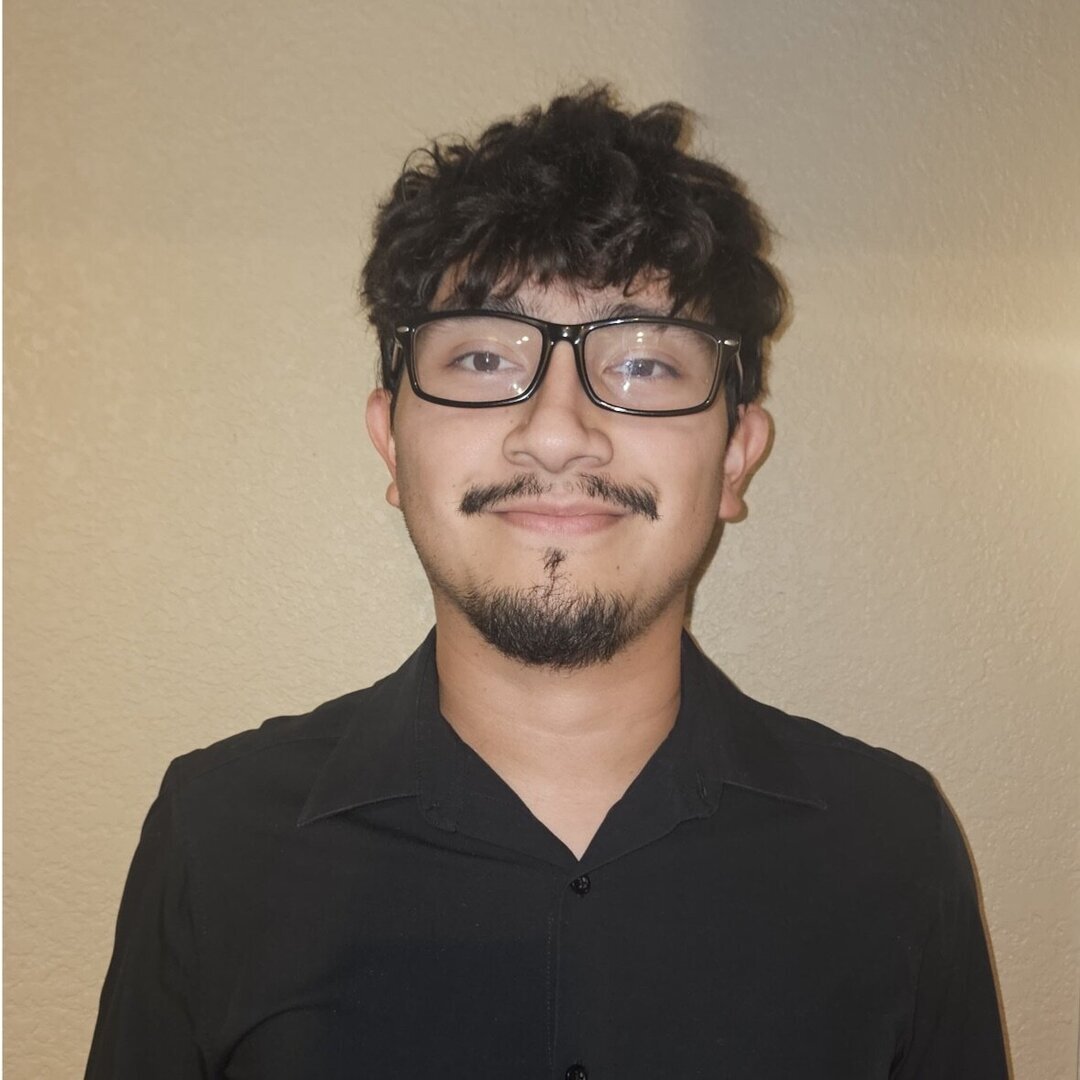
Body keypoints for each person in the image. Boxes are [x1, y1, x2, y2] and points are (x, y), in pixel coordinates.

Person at [86, 87, 1008, 1079]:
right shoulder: (218, 835)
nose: (559, 432)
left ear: (736, 457)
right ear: (390, 442)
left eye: (644, 365)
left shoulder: (891, 846)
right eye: (484, 357)